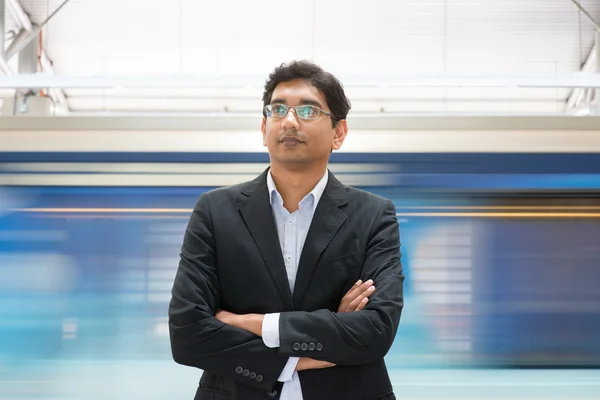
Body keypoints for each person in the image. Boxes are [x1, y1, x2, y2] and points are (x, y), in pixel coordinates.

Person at [168, 60, 404, 400]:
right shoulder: (215, 211)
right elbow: (187, 332)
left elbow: (376, 330)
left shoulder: (373, 215)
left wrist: (257, 324)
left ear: (339, 133)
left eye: (308, 111)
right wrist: (300, 358)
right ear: (264, 128)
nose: (290, 121)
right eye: (278, 110)